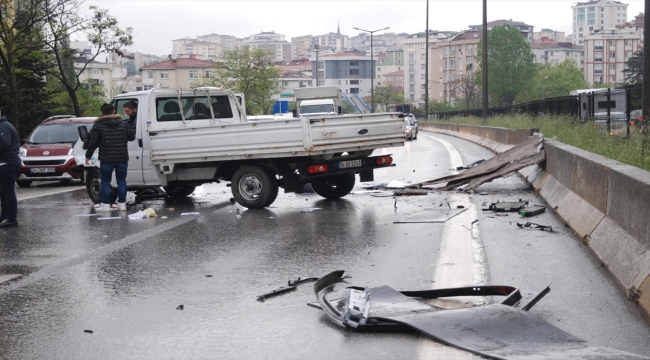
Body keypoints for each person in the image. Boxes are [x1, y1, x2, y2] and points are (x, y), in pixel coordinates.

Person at [85, 103, 135, 212]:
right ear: (114, 111)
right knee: (121, 181)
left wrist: (88, 156)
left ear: (102, 113)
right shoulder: (124, 124)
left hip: (106, 158)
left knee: (106, 182)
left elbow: (93, 142)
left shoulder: (98, 126)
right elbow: (132, 137)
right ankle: (122, 205)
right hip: (122, 157)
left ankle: (106, 205)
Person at [0, 115, 20, 228]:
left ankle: (11, 219)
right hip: (6, 161)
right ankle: (4, 216)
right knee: (3, 191)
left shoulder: (3, 127)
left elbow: (5, 144)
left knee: (7, 191)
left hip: (8, 162)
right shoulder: (3, 125)